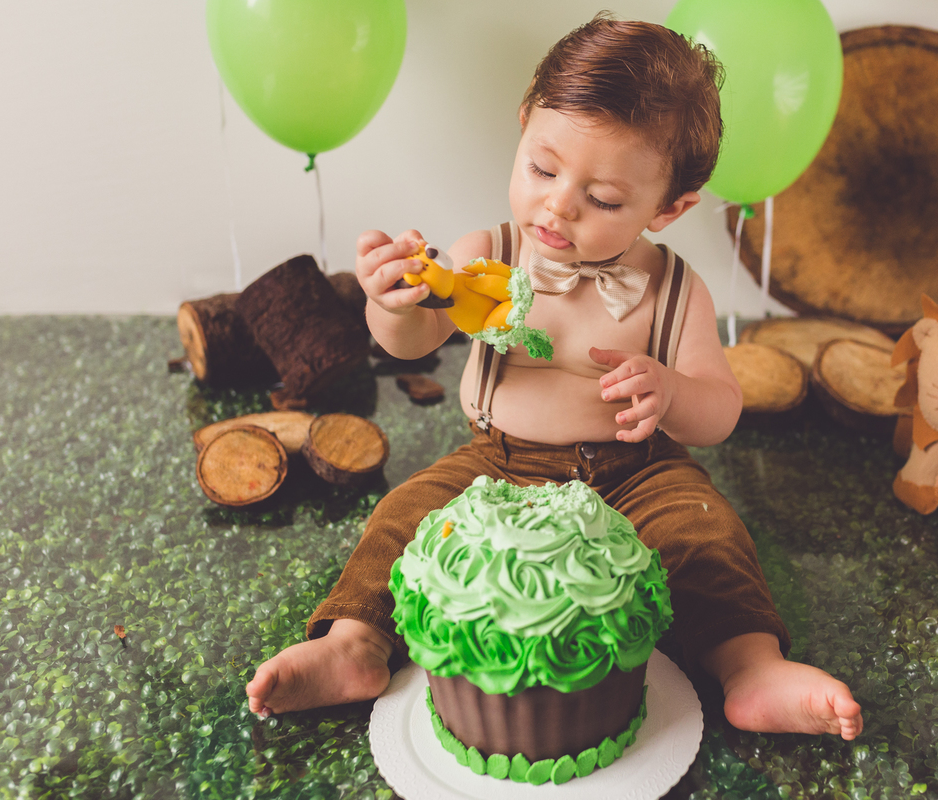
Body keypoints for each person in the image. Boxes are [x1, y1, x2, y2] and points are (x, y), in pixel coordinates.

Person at [246, 14, 863, 741]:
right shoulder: (491, 256)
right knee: (405, 519)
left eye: (604, 201)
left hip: (637, 472)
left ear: (669, 208)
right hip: (498, 466)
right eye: (542, 168)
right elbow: (412, 342)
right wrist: (393, 302)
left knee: (709, 537)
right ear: (522, 129)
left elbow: (720, 410)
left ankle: (749, 667)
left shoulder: (674, 290)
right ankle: (354, 645)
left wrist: (670, 390)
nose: (559, 205)